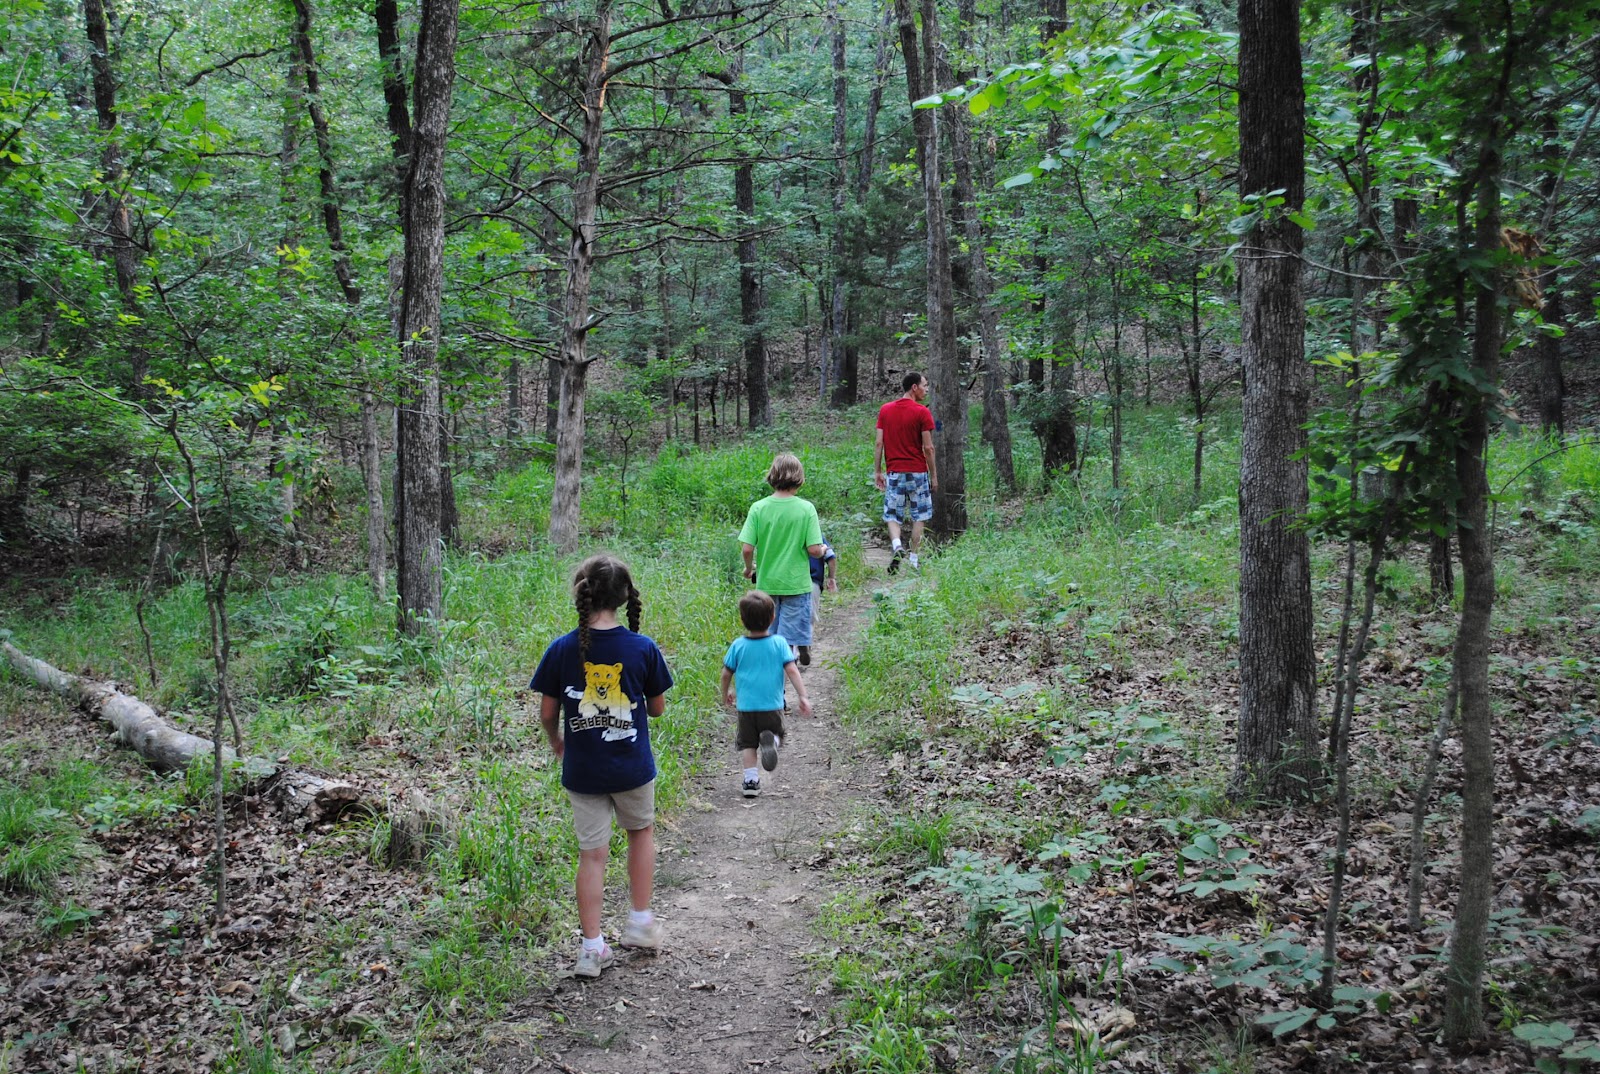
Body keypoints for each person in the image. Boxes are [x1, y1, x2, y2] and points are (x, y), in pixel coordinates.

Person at [531, 554, 674, 979]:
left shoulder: (561, 649)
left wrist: (557, 740)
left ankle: (591, 948)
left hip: (583, 771)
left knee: (591, 855)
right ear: (626, 596)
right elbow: (657, 709)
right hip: (633, 767)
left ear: (582, 593)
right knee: (640, 833)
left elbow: (547, 713)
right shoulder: (642, 648)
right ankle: (641, 922)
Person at [721, 589, 813, 798]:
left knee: (748, 744)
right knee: (777, 733)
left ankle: (750, 782)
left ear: (742, 620)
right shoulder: (779, 643)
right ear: (773, 618)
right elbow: (792, 670)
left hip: (746, 707)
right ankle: (772, 741)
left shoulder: (738, 645)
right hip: (772, 705)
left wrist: (725, 694)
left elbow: (726, 673)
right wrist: (803, 696)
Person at [738, 453, 826, 666]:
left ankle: (776, 677)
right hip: (796, 584)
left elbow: (747, 549)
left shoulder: (758, 508)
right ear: (799, 478)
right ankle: (796, 652)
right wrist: (823, 550)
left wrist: (749, 569)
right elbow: (814, 550)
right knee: (789, 637)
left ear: (772, 475)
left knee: (770, 635)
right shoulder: (806, 509)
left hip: (767, 585)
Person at [874, 372, 937, 574]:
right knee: (920, 516)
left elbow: (879, 443)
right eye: (924, 385)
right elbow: (928, 448)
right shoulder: (922, 412)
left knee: (892, 515)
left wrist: (878, 471)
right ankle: (914, 560)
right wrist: (933, 476)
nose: (926, 389)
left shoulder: (885, 410)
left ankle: (897, 546)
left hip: (894, 472)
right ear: (914, 387)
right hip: (918, 472)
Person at [810, 535, 839, 627]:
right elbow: (831, 557)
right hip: (812, 581)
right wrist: (831, 578)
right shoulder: (816, 535)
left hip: (782, 582)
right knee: (808, 620)